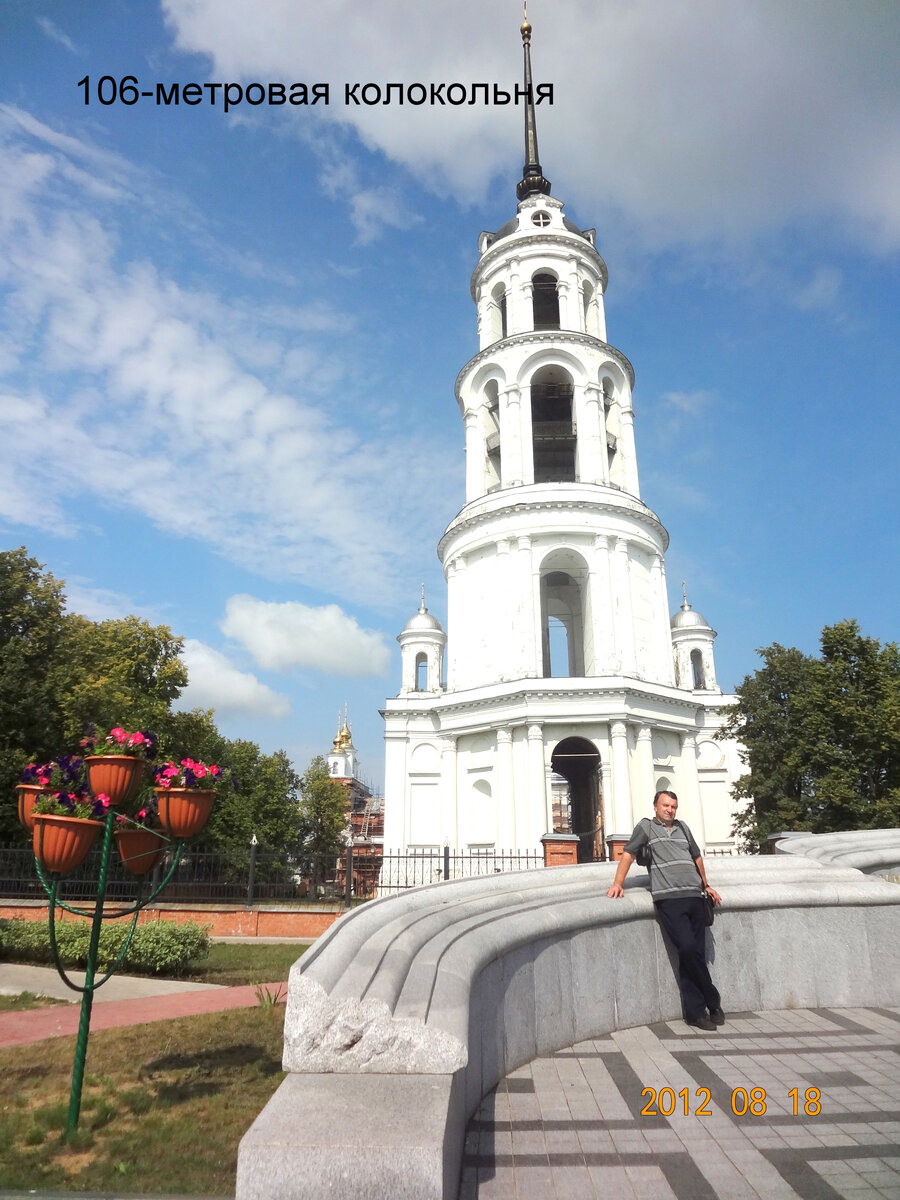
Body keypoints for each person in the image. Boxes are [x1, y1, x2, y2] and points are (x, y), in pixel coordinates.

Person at [606, 789, 724, 1031]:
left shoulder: (683, 828)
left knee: (695, 954)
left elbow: (697, 858)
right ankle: (712, 999)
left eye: (673, 806)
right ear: (656, 806)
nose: (670, 810)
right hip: (669, 899)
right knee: (688, 949)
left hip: (694, 895)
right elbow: (628, 854)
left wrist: (706, 885)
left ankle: (696, 1012)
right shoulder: (646, 828)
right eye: (666, 805)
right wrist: (618, 883)